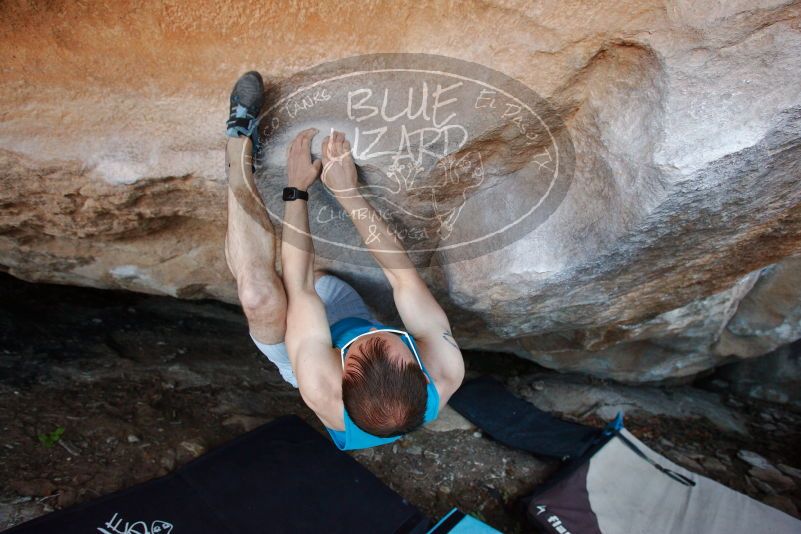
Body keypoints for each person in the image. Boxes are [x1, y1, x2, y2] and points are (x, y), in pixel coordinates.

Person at [224, 71, 465, 450]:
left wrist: (296, 189)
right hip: (348, 310)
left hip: (302, 350)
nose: (369, 333)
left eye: (359, 344)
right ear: (420, 366)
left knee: (259, 296)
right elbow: (401, 276)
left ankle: (237, 147)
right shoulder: (445, 368)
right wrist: (348, 192)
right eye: (383, 333)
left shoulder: (320, 385)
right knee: (340, 286)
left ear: (340, 369)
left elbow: (300, 285)